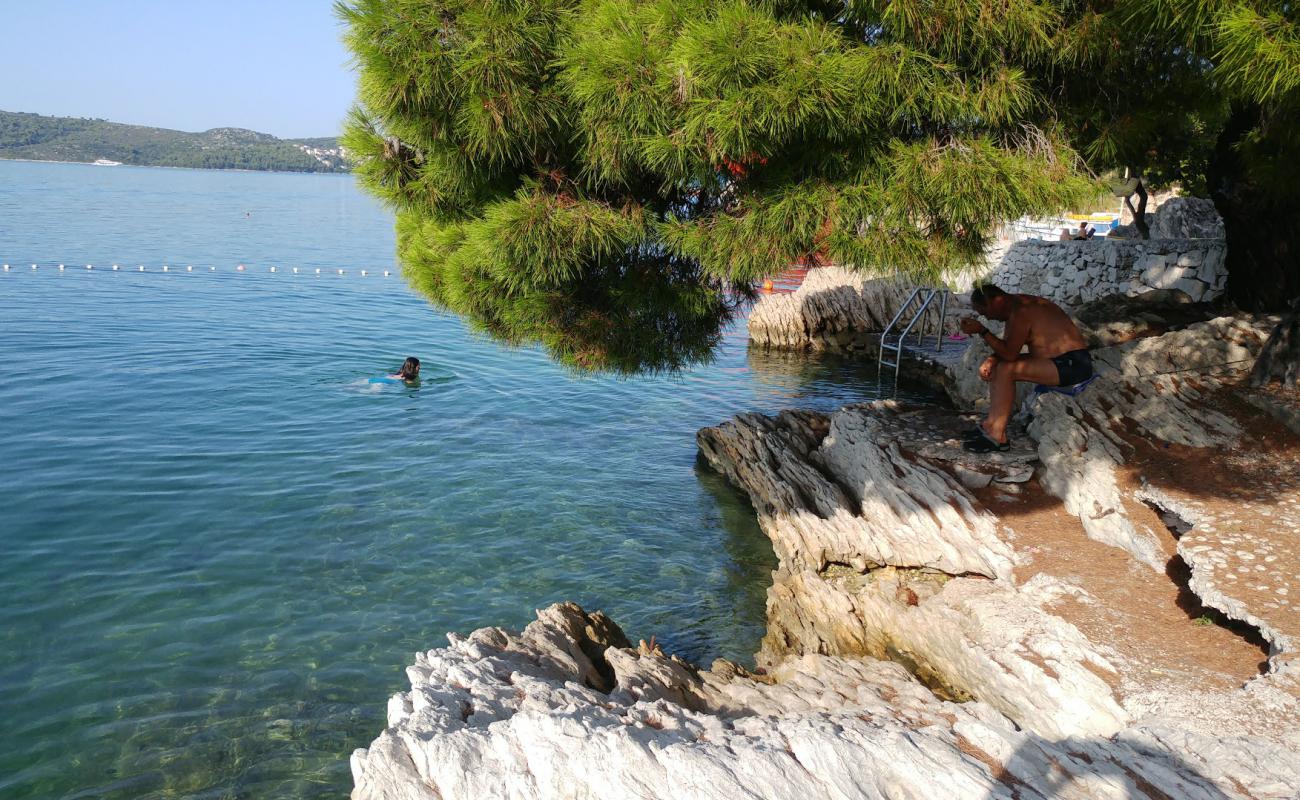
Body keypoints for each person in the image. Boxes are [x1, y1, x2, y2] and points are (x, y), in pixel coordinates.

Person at [958, 285, 1092, 453]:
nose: (989, 318)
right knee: (999, 366)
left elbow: (1009, 355)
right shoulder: (1015, 307)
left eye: (986, 312)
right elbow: (1007, 349)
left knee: (1007, 369)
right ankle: (990, 425)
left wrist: (982, 331)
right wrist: (992, 359)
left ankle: (997, 436)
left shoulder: (1021, 311)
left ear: (998, 301)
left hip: (1074, 364)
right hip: (1055, 360)